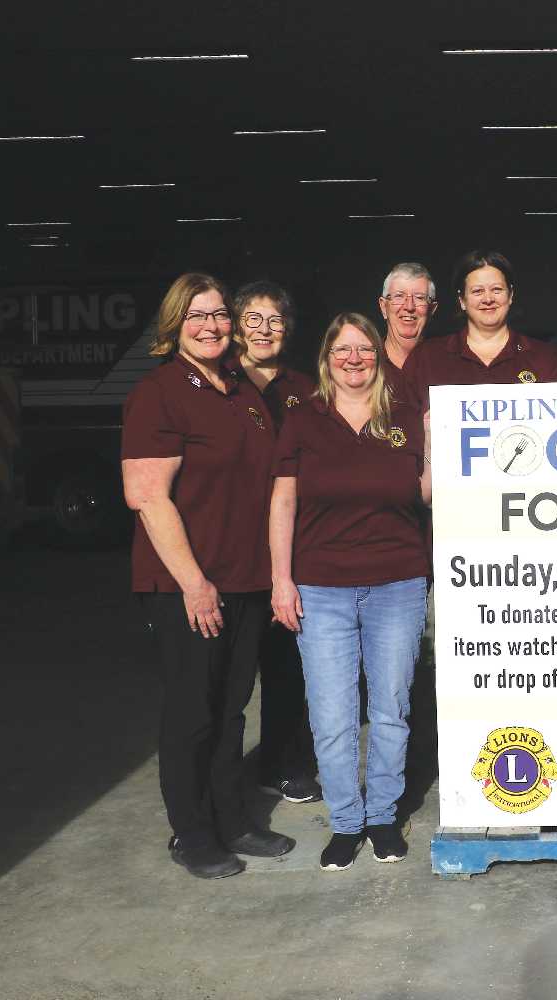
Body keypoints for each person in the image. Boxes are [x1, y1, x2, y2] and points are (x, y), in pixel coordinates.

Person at [121, 273, 295, 879]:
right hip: (186, 585)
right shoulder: (161, 392)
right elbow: (146, 494)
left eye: (221, 314)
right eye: (197, 316)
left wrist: (274, 573)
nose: (212, 325)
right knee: (193, 710)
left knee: (230, 710)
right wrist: (195, 582)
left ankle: (234, 820)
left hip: (243, 578)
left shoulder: (241, 389)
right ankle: (191, 833)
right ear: (174, 325)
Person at [269, 312, 432, 871]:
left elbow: (430, 491)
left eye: (364, 348)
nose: (355, 358)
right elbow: (283, 503)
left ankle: (383, 816)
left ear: (378, 356)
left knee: (390, 710)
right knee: (333, 715)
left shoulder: (407, 417)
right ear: (327, 357)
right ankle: (345, 822)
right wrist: (281, 580)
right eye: (343, 349)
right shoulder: (303, 420)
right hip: (322, 588)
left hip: (398, 584)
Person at [231, 280, 321, 805]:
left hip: (292, 543)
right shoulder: (220, 383)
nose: (265, 330)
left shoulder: (304, 388)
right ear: (236, 324)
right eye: (253, 318)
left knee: (288, 665)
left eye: (276, 319)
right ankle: (222, 775)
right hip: (236, 544)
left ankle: (283, 763)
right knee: (236, 671)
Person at [400, 249, 557, 402]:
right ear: (462, 300)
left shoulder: (547, 359)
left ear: (511, 295)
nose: (488, 299)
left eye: (497, 289)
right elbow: (401, 423)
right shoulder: (426, 359)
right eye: (477, 291)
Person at [378, 262, 438, 371]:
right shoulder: (367, 363)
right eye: (399, 296)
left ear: (432, 309)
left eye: (419, 298)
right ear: (383, 307)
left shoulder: (447, 365)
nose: (409, 307)